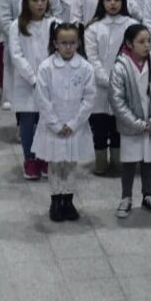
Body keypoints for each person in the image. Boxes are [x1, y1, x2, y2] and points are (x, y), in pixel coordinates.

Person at [34, 22, 96, 221]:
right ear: (55, 44)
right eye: (63, 43)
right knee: (55, 165)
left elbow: (89, 98)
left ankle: (68, 201)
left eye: (72, 43)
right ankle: (55, 201)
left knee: (70, 164)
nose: (68, 47)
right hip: (52, 127)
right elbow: (42, 99)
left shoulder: (86, 68)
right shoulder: (46, 68)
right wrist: (55, 124)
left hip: (75, 127)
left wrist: (74, 123)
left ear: (78, 43)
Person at [109, 23, 151, 218]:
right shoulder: (120, 66)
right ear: (129, 44)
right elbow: (116, 100)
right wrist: (137, 124)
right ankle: (126, 198)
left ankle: (148, 196)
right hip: (131, 126)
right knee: (129, 161)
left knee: (148, 161)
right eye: (141, 42)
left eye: (149, 41)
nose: (147, 45)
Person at [83, 0, 137, 176]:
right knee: (99, 126)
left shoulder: (131, 25)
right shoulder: (93, 28)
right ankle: (100, 161)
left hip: (125, 85)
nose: (113, 3)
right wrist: (107, 81)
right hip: (99, 88)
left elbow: (136, 55)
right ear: (102, 2)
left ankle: (117, 160)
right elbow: (92, 58)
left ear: (123, 2)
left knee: (119, 127)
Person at [8, 0, 56, 181]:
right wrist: (33, 78)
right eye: (35, 0)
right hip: (26, 83)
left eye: (43, 0)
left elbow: (58, 50)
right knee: (28, 121)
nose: (39, 4)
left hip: (50, 82)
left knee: (46, 121)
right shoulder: (16, 26)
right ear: (26, 3)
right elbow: (16, 55)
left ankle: (44, 157)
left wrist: (48, 78)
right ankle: (30, 158)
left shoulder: (54, 23)